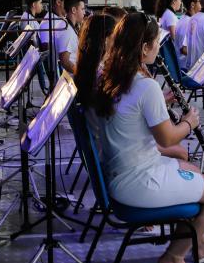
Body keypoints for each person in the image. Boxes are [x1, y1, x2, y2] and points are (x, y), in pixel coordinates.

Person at [90, 13, 204, 263]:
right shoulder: (145, 86)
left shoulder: (109, 76)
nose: (158, 47)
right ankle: (174, 257)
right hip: (137, 181)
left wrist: (159, 102)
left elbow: (133, 116)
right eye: (156, 42)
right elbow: (168, 138)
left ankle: (200, 242)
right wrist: (189, 123)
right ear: (144, 47)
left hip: (121, 171)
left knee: (190, 168)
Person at [74, 14, 187, 162]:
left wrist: (160, 100)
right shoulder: (104, 73)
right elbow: (164, 138)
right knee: (181, 152)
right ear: (106, 39)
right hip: (118, 149)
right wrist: (188, 122)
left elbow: (124, 104)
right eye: (117, 35)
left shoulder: (93, 69)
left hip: (108, 144)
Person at [53, 0, 86, 74]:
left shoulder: (66, 25)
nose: (84, 12)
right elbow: (65, 61)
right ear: (74, 10)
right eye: (82, 9)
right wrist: (82, 75)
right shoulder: (66, 30)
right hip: (72, 79)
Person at [175, 0, 200, 69]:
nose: (203, 5)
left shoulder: (184, 18)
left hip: (182, 65)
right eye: (200, 2)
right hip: (186, 68)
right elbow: (184, 50)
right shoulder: (189, 22)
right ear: (192, 5)